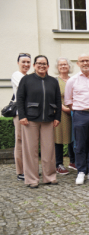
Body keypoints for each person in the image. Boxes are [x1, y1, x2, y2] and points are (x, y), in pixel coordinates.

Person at [16, 55, 61, 188]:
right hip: (30, 119)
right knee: (30, 150)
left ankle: (49, 177)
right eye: (39, 63)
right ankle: (31, 179)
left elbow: (58, 100)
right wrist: (22, 116)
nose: (41, 66)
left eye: (44, 64)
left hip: (48, 119)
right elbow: (20, 98)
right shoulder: (26, 79)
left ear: (47, 66)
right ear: (34, 65)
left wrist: (57, 117)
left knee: (49, 150)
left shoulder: (53, 81)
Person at [65, 54, 89, 185]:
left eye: (87, 60)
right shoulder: (72, 80)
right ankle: (81, 171)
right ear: (78, 63)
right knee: (80, 144)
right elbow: (68, 101)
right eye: (82, 61)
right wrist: (79, 110)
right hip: (80, 115)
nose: (85, 63)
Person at [11, 53, 31, 181]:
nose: (26, 64)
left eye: (28, 62)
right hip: (20, 114)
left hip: (30, 114)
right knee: (20, 142)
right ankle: (21, 171)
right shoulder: (16, 75)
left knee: (29, 142)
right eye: (23, 62)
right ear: (18, 63)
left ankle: (29, 169)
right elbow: (28, 90)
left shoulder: (28, 76)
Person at [54, 57, 75, 175]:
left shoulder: (74, 80)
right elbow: (54, 98)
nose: (63, 66)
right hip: (60, 112)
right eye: (60, 65)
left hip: (73, 112)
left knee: (73, 137)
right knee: (59, 138)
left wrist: (71, 109)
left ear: (69, 66)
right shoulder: (55, 81)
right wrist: (64, 108)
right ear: (57, 67)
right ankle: (58, 164)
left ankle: (73, 162)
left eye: (65, 64)